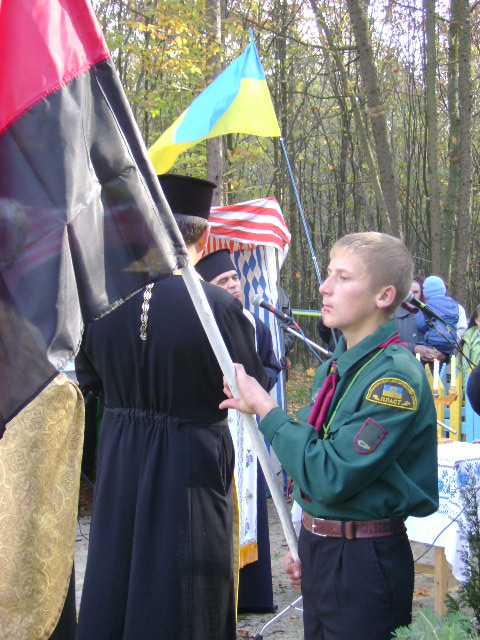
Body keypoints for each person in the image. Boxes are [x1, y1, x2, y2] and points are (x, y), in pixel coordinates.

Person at [220, 232, 439, 640]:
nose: (324, 287)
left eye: (343, 277)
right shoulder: (335, 369)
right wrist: (313, 534)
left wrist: (265, 407)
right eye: (328, 274)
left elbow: (330, 473)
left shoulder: (393, 379)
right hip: (325, 551)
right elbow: (309, 455)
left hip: (364, 561)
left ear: (384, 296)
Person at [75, 175, 267, 640]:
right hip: (189, 460)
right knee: (183, 585)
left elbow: (90, 379)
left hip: (122, 454)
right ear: (204, 235)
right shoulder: (219, 307)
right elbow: (252, 387)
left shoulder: (100, 304)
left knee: (118, 569)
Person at [196, 248, 281, 613]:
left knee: (250, 505)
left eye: (235, 278)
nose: (232, 285)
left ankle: (252, 594)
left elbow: (270, 366)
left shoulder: (255, 324)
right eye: (222, 281)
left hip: (248, 430)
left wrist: (256, 385)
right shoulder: (198, 324)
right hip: (215, 424)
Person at [414, 275, 459, 357]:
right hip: (451, 342)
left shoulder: (428, 306)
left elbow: (419, 323)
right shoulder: (453, 304)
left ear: (425, 293)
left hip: (433, 342)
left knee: (426, 357)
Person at [461, 303, 480, 382]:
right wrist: (465, 386)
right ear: (475, 320)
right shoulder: (468, 338)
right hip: (472, 382)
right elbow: (464, 366)